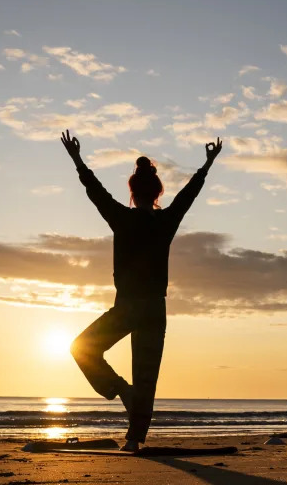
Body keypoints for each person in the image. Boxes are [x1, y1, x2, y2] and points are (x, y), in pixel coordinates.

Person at [61, 129, 222, 452]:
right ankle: (134, 439)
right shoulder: (165, 221)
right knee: (145, 377)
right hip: (154, 309)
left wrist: (77, 158)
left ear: (133, 193)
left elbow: (96, 192)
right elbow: (188, 196)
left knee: (82, 348)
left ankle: (122, 391)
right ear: (158, 192)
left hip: (129, 306)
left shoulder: (122, 217)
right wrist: (207, 164)